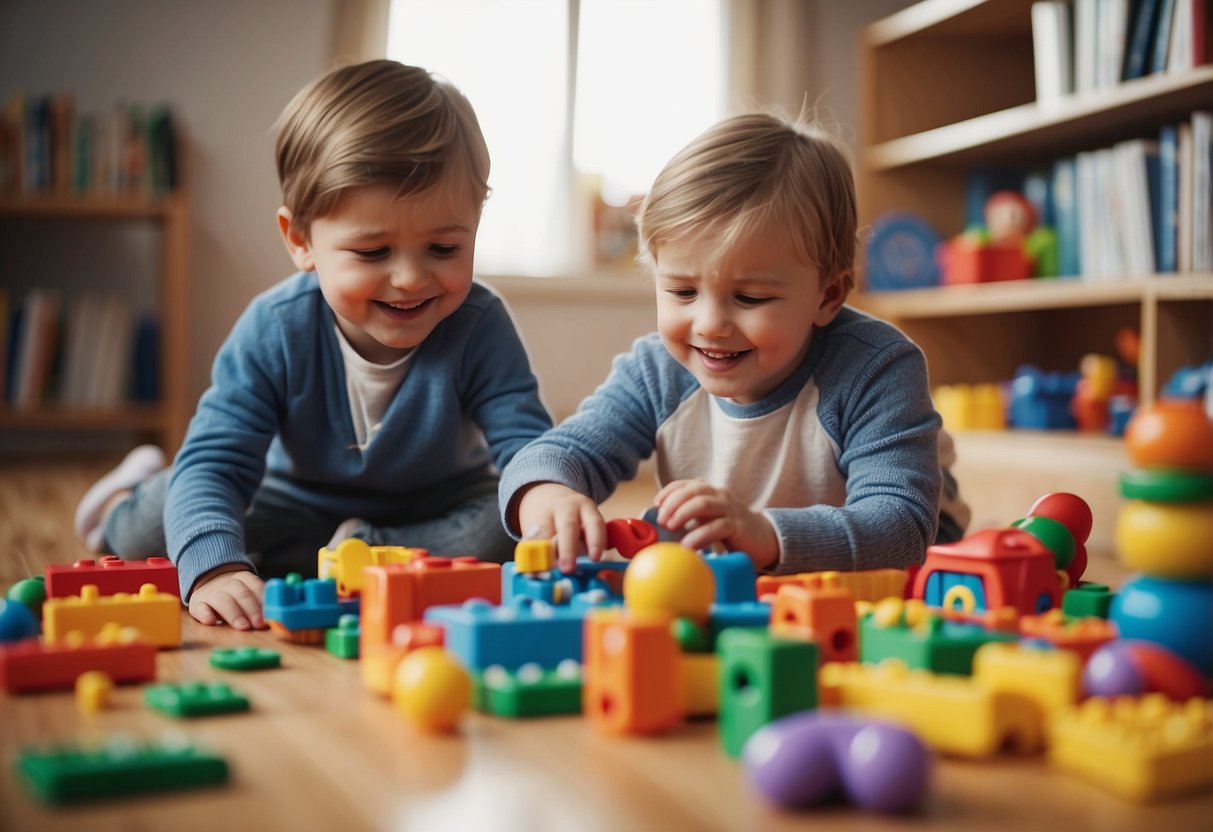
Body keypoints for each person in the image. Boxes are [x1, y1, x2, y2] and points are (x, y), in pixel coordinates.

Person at [74, 60, 552, 629]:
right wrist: (214, 570)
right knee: (158, 531)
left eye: (444, 249)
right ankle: (120, 495)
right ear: (301, 241)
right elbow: (218, 464)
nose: (409, 278)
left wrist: (545, 493)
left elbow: (526, 443)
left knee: (510, 524)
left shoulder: (480, 323)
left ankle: (363, 549)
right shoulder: (275, 327)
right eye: (373, 253)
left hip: (436, 508)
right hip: (291, 500)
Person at [500, 111, 969, 574]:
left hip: (907, 560)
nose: (710, 324)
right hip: (749, 569)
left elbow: (900, 527)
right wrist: (548, 494)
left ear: (827, 296)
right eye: (683, 292)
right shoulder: (657, 372)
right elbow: (554, 454)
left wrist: (765, 534)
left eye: (749, 297)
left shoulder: (877, 367)